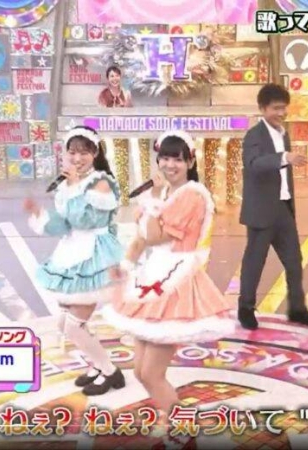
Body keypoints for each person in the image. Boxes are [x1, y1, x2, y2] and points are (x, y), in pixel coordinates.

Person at [101, 130, 235, 439]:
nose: (170, 165)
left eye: (178, 159)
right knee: (140, 371)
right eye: (165, 158)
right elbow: (140, 240)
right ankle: (171, 416)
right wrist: (125, 267)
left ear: (190, 162)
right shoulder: (164, 196)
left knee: (151, 372)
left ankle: (184, 427)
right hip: (152, 275)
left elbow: (154, 236)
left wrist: (150, 205)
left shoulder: (193, 195)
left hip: (175, 280)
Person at [23, 126, 126, 396]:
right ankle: (97, 365)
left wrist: (73, 187)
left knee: (73, 325)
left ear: (95, 153)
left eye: (83, 153)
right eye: (72, 152)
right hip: (70, 252)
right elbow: (64, 225)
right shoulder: (70, 184)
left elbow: (85, 220)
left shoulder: (101, 183)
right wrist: (41, 215)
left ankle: (110, 372)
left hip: (94, 257)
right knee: (65, 323)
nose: (77, 158)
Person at [237, 83, 308, 330]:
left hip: (283, 208)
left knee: (294, 261)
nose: (281, 113)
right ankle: (245, 308)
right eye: (276, 108)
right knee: (255, 262)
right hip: (261, 211)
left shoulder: (283, 134)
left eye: (284, 108)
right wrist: (284, 157)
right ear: (263, 108)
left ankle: (297, 309)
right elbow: (253, 164)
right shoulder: (254, 135)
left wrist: (285, 158)